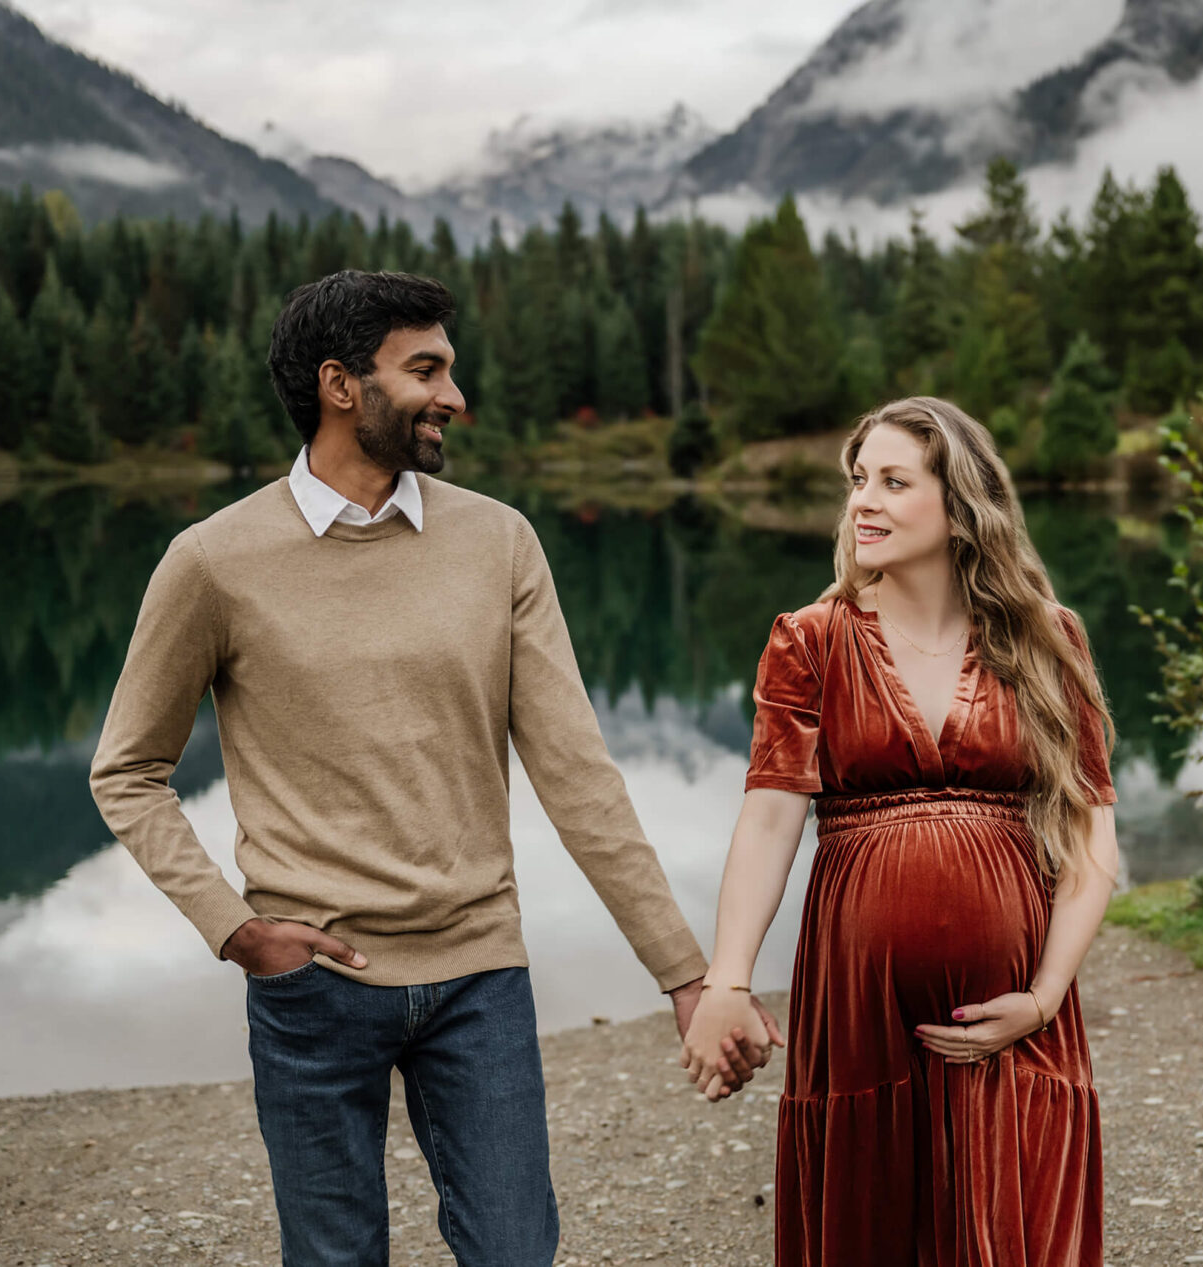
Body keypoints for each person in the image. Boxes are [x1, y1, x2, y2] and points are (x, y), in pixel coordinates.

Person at [88, 269, 776, 1266]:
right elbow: (129, 770)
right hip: (313, 985)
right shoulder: (214, 561)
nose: (455, 396)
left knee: (514, 1249)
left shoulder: (498, 542)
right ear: (339, 384)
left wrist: (685, 972)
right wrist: (233, 927)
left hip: (479, 976)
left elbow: (577, 773)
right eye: (427, 369)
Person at [680, 396, 1123, 1265]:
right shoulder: (809, 641)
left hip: (1016, 1021)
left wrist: (1040, 997)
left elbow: (1090, 843)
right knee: (870, 1224)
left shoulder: (1046, 640)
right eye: (856, 482)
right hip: (858, 1011)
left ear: (961, 506)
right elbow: (769, 820)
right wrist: (728, 977)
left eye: (893, 481)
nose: (862, 503)